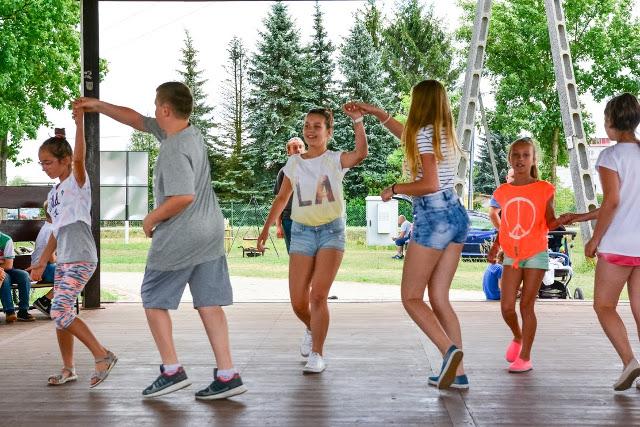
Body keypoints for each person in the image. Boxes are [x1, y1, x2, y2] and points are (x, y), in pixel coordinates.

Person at [75, 82, 246, 399]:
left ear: (166, 109)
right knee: (209, 303)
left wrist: (151, 218)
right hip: (210, 231)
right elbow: (136, 120)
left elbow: (183, 196)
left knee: (153, 298)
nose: (153, 111)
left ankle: (171, 371)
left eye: (156, 106)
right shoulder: (190, 133)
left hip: (181, 234)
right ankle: (228, 374)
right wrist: (98, 105)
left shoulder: (172, 149)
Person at [354, 80, 470, 390]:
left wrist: (395, 188)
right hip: (457, 215)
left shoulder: (423, 134)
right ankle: (458, 374)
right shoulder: (444, 133)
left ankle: (449, 351)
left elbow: (429, 183)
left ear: (419, 102)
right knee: (440, 298)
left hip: (434, 217)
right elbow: (407, 135)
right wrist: (378, 113)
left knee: (411, 297)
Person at [257, 105, 368, 373]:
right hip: (302, 232)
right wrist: (265, 229)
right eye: (307, 125)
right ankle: (311, 327)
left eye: (317, 126)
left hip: (331, 231)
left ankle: (317, 353)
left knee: (318, 295)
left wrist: (358, 121)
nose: (310, 130)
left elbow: (361, 153)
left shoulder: (334, 160)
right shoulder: (294, 163)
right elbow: (282, 198)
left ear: (328, 132)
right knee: (298, 302)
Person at [28, 122, 116, 387]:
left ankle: (102, 355)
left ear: (65, 160)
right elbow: (56, 230)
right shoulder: (54, 193)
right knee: (61, 314)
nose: (44, 167)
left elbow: (79, 157)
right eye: (41, 163)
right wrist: (42, 261)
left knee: (58, 310)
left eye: (48, 162)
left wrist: (80, 123)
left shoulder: (77, 182)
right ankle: (69, 369)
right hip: (65, 259)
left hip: (81, 256)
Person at [563, 93, 640, 391]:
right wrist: (581, 216)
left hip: (618, 245)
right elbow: (622, 203)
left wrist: (594, 239)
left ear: (610, 122)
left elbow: (613, 201)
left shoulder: (611, 156)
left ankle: (629, 361)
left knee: (604, 306)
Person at [488, 137, 564, 374]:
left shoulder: (544, 189)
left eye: (525, 155)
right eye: (516, 155)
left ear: (533, 159)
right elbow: (508, 223)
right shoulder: (502, 191)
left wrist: (563, 219)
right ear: (509, 159)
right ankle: (518, 336)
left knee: (526, 306)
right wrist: (496, 245)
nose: (520, 159)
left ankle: (525, 357)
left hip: (536, 253)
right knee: (507, 307)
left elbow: (550, 221)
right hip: (512, 254)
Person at [274, 137, 306, 253]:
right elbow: (278, 200)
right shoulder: (283, 172)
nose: (298, 150)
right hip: (289, 220)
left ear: (304, 149)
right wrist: (278, 226)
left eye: (300, 147)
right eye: (294, 147)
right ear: (289, 152)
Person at [0, 231, 34, 323]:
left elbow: (8, 265)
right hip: (3, 274)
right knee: (4, 277)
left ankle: (23, 311)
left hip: (8, 270)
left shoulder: (6, 240)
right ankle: (9, 311)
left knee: (24, 275)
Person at [32, 200, 57, 317]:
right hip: (44, 269)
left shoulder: (47, 227)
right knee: (73, 276)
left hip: (44, 267)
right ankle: (44, 301)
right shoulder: (51, 230)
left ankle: (48, 302)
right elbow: (51, 259)